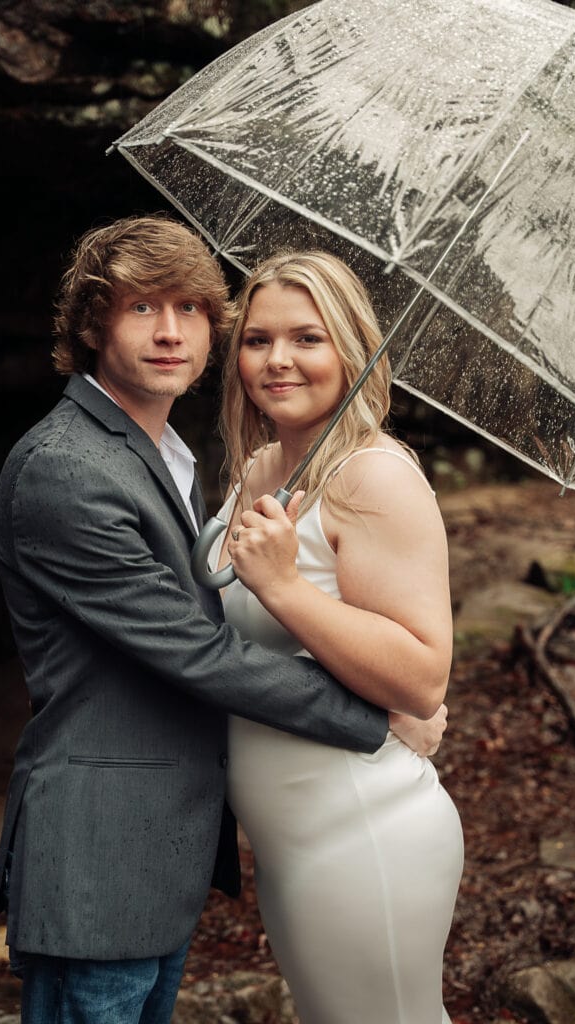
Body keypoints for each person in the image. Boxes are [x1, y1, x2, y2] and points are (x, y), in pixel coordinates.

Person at [0, 216, 447, 1024]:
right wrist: (371, 715)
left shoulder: (174, 456)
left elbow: (407, 660)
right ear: (92, 324)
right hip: (115, 844)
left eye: (191, 310)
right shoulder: (75, 465)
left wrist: (389, 693)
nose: (170, 333)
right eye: (140, 309)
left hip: (328, 825)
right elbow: (197, 648)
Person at [209, 249, 464, 1024]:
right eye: (257, 340)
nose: (277, 360)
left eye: (306, 338)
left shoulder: (372, 475)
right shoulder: (260, 469)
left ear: (351, 350)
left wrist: (283, 587)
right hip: (290, 839)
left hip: (363, 829)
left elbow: (421, 678)